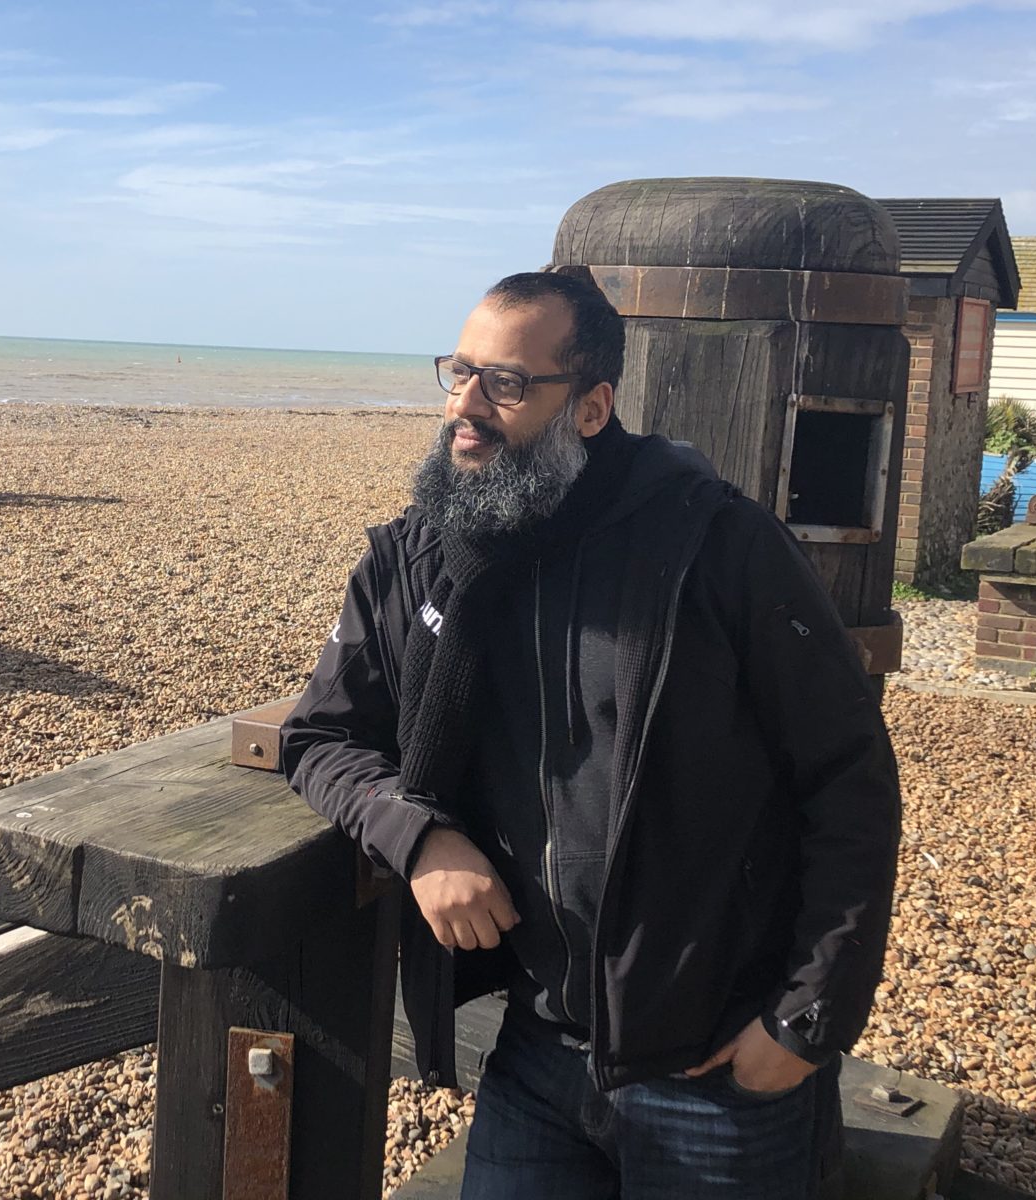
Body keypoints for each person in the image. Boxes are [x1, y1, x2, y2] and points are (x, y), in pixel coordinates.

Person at [280, 269, 900, 1199]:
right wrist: (416, 836)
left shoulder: (717, 548)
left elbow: (848, 779)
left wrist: (808, 1022)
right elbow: (320, 735)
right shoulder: (422, 554)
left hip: (720, 1071)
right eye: (458, 372)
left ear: (593, 407)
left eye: (508, 384)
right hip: (535, 1053)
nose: (467, 406)